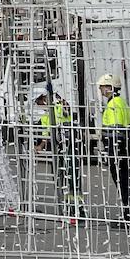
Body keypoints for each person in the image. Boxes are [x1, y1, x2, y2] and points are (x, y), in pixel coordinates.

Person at [98, 73, 130, 226]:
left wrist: (113, 153)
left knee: (123, 182)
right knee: (127, 181)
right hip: (126, 149)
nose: (101, 90)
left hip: (120, 150)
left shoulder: (114, 105)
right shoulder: (120, 102)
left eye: (103, 87)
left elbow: (116, 132)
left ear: (110, 88)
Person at [36, 84, 82, 218]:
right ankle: (66, 207)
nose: (39, 105)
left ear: (44, 99)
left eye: (39, 102)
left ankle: (77, 209)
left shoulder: (58, 107)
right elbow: (46, 135)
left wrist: (56, 96)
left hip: (69, 146)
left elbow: (67, 109)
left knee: (72, 177)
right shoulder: (45, 116)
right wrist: (40, 146)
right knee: (60, 177)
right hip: (58, 149)